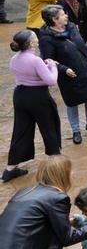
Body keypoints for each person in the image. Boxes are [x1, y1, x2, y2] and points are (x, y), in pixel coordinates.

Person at [38, 6, 87, 145]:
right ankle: (76, 130)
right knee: (72, 103)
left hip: (84, 69)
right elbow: (48, 60)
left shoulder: (72, 27)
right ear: (54, 20)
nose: (66, 16)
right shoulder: (46, 38)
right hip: (69, 75)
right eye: (62, 15)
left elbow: (79, 44)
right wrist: (63, 69)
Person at [4, 30, 61, 182]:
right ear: (31, 44)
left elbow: (28, 77)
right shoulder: (35, 60)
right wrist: (52, 66)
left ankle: (10, 169)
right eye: (35, 38)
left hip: (20, 96)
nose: (38, 40)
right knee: (49, 128)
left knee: (21, 131)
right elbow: (51, 80)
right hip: (39, 97)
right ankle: (54, 168)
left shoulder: (14, 59)